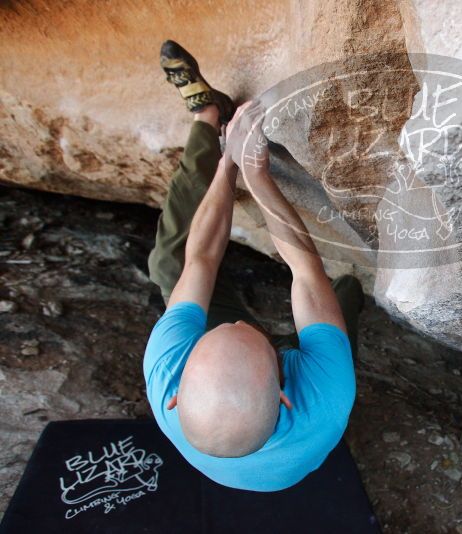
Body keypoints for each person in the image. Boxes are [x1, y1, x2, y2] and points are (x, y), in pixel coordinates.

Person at [143, 40, 364, 491]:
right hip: (300, 398)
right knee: (340, 298)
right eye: (257, 336)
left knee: (170, 263)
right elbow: (304, 269)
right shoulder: (324, 397)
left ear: (176, 397)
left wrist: (229, 162)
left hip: (242, 378)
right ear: (284, 396)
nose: (244, 320)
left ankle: (208, 119)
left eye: (225, 329)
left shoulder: (165, 370)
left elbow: (201, 258)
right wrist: (257, 172)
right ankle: (354, 292)